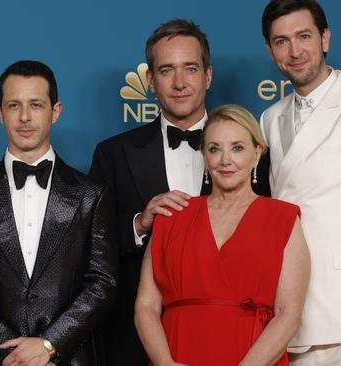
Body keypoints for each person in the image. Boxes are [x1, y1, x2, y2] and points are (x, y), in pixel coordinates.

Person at [89, 19, 272, 364]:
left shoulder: (252, 154)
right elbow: (89, 244)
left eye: (190, 68)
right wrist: (140, 224)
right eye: (166, 70)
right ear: (150, 80)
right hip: (135, 342)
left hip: (237, 340)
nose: (179, 82)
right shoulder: (112, 154)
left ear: (208, 76)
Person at [0, 60, 118, 366]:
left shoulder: (93, 195)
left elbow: (102, 283)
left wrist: (50, 344)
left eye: (36, 105)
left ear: (56, 111)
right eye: (14, 105)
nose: (25, 117)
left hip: (70, 359)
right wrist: (17, 356)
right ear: (0, 113)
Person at [135, 104, 310, 365]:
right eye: (214, 149)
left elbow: (289, 313)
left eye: (237, 148)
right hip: (178, 352)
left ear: (257, 153)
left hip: (252, 356)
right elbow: (146, 305)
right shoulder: (172, 215)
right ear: (204, 156)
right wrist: (165, 363)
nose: (225, 159)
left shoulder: (282, 218)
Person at [260, 0, 341, 363]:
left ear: (325, 38)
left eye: (304, 36)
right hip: (289, 303)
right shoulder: (269, 118)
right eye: (281, 41)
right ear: (270, 51)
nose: (295, 52)